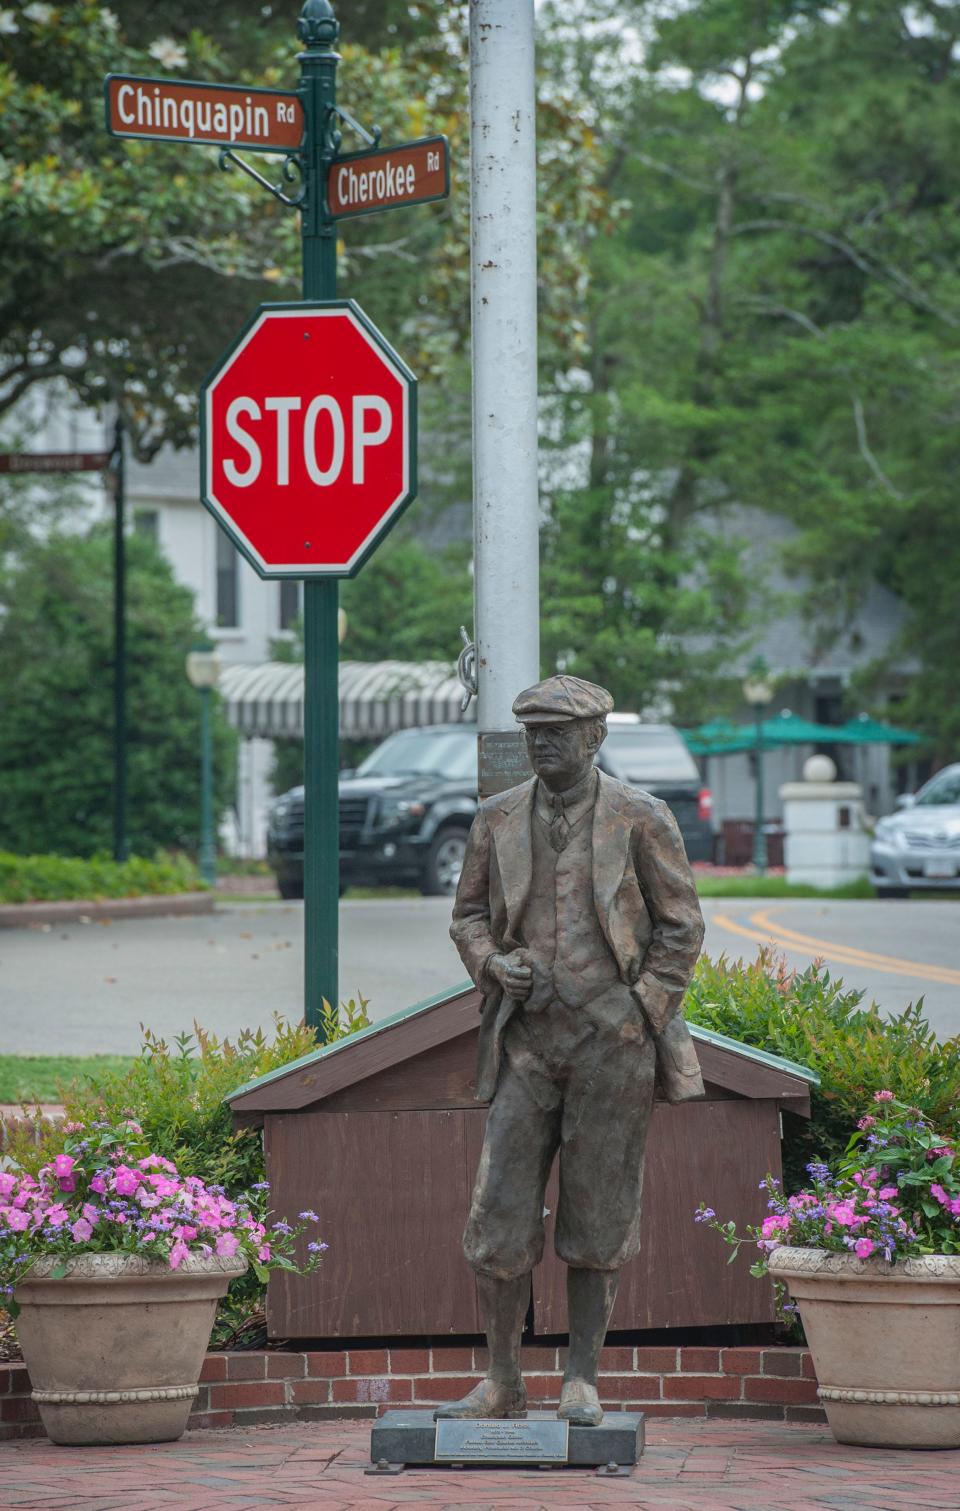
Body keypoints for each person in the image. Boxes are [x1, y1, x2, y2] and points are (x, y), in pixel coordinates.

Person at [435, 674, 705, 1427]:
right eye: (533, 732)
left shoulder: (642, 816)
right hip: (525, 1044)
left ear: (595, 737)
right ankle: (502, 1380)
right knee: (496, 1214)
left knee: (599, 1211)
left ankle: (581, 1377)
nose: (543, 744)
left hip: (612, 1046)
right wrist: (492, 962)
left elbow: (681, 925)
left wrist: (642, 1008)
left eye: (558, 731)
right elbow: (466, 918)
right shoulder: (496, 818)